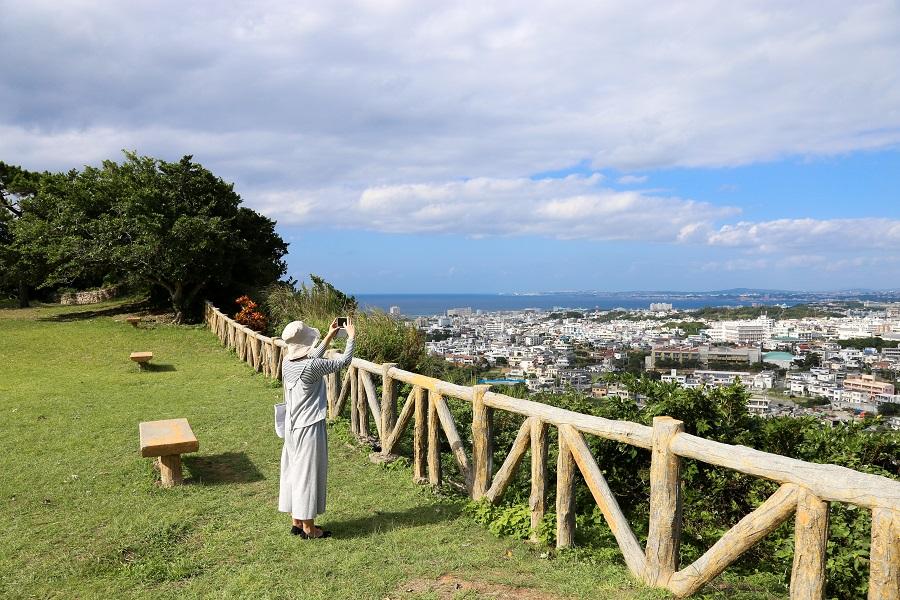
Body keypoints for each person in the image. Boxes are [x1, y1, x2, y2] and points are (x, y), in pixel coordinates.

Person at [278, 316, 355, 539]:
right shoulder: (312, 365)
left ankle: (297, 521)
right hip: (309, 425)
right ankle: (310, 529)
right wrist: (351, 337)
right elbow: (343, 362)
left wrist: (330, 335)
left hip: (292, 426)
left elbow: (310, 357)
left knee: (293, 471)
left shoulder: (287, 362)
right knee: (307, 475)